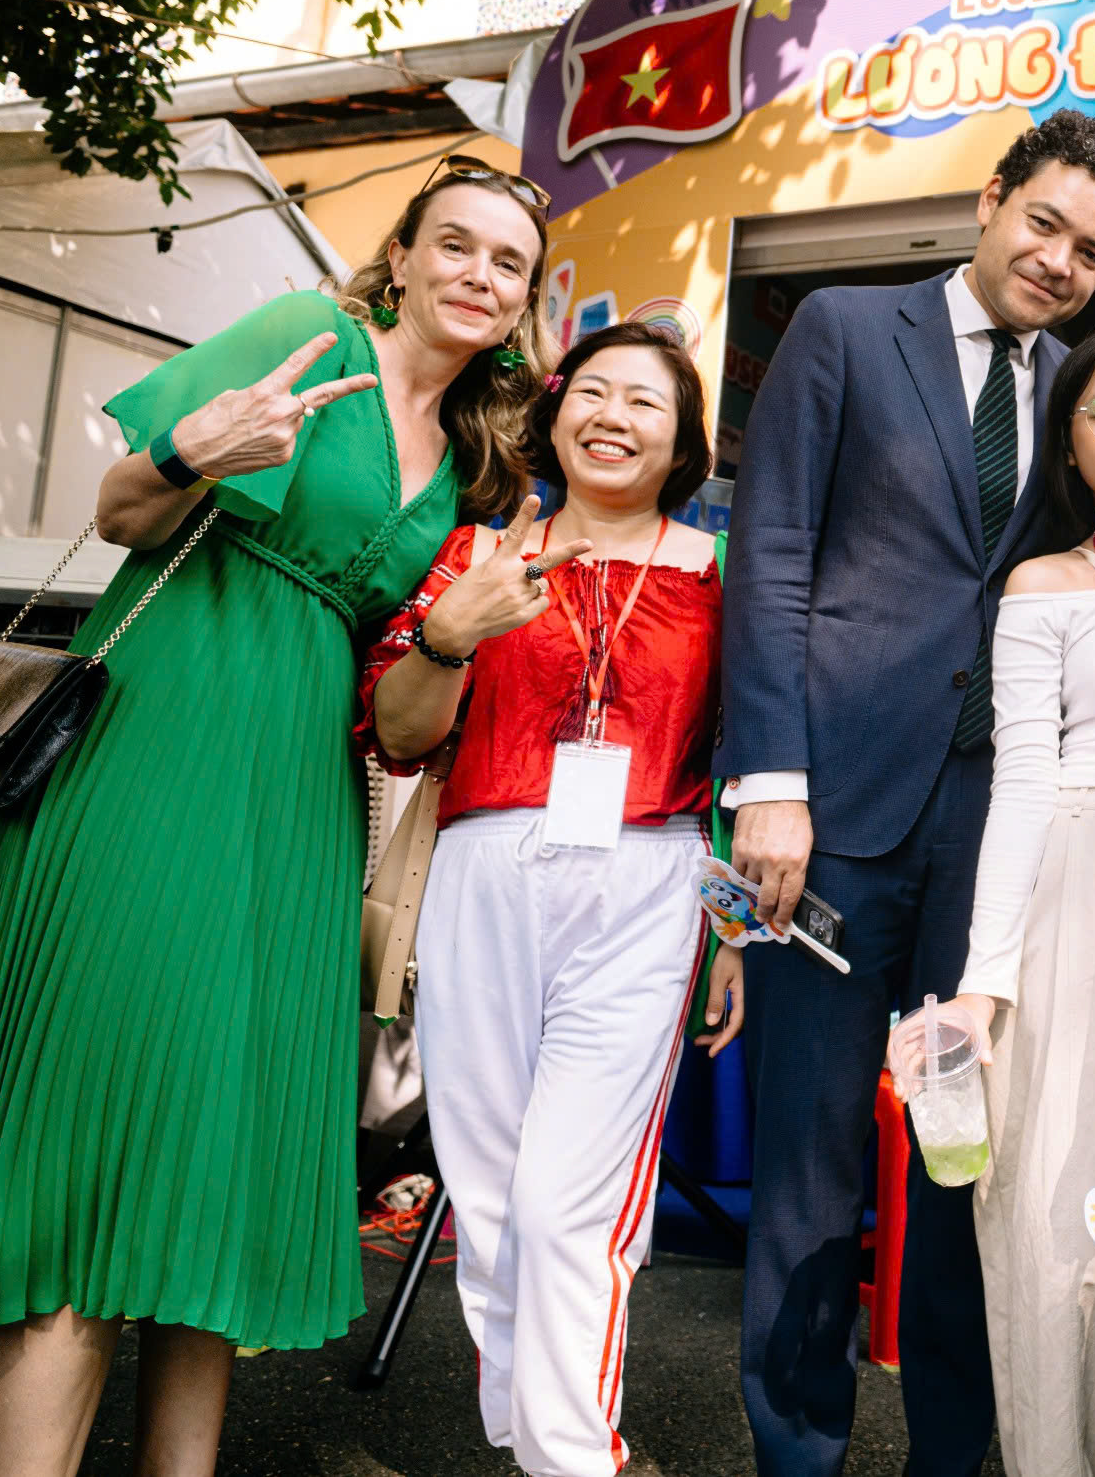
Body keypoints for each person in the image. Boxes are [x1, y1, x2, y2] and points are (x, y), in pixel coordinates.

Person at [0, 153, 549, 1476]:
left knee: (227, 1143)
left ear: (527, 300)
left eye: (510, 264)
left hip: (299, 803)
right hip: (160, 744)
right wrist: (190, 447)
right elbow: (122, 507)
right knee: (89, 1134)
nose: (480, 275)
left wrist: (462, 636)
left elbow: (407, 731)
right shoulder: (312, 336)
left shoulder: (481, 464)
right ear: (407, 253)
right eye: (459, 245)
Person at [719, 109, 1095, 1477]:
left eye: (1092, 252)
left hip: (997, 830)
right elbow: (773, 551)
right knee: (808, 1164)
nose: (1061, 261)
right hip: (833, 818)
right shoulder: (847, 329)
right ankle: (798, 1448)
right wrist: (771, 782)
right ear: (992, 199)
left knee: (977, 1157)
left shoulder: (1082, 380)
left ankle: (956, 1452)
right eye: (1047, 224)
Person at [358, 324, 742, 1477]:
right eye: (597, 392)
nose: (615, 417)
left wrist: (728, 927)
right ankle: (544, 1442)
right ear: (559, 409)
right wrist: (451, 633)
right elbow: (396, 730)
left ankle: (576, 1458)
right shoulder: (479, 547)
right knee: (487, 1199)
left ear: (682, 444)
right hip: (483, 870)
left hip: (647, 878)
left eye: (648, 404)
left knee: (567, 1202)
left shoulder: (722, 570)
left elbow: (745, 751)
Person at [887, 321, 1095, 1477]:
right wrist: (989, 980)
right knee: (1056, 1222)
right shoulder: (1042, 581)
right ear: (1066, 444)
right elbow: (1024, 781)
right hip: (1082, 897)